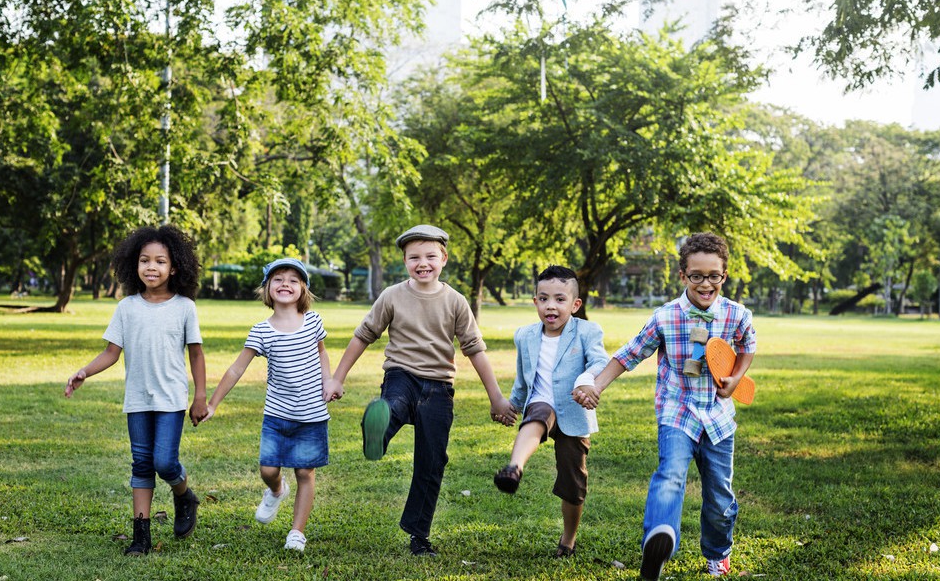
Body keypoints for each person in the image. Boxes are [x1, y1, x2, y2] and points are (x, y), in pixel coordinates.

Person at [322, 224, 516, 557]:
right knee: (393, 405)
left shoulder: (455, 301)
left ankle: (419, 535)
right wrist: (337, 378)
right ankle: (378, 433)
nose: (422, 263)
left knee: (432, 461)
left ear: (443, 258)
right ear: (405, 261)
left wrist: (496, 397)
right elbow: (363, 336)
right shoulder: (392, 296)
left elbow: (474, 349)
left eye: (429, 256)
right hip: (401, 374)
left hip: (440, 386)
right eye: (414, 257)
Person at [573, 232, 756, 580]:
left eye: (713, 276)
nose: (706, 283)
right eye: (697, 275)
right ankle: (658, 539)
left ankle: (718, 553)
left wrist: (736, 377)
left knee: (720, 498)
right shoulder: (665, 316)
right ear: (683, 275)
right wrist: (596, 385)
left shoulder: (737, 314)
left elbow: (748, 345)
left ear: (724, 276)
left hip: (718, 418)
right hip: (677, 411)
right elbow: (629, 354)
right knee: (670, 475)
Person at [64, 225, 207, 556]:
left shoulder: (185, 306)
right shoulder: (126, 307)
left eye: (160, 261)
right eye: (145, 260)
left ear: (175, 267)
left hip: (171, 398)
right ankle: (140, 536)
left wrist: (200, 396)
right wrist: (85, 371)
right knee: (141, 464)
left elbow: (196, 354)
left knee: (165, 462)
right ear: (134, 265)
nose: (152, 267)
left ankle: (184, 495)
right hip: (138, 399)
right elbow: (111, 353)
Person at [204, 258, 331, 553]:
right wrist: (213, 403)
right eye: (278, 279)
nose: (285, 284)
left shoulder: (313, 321)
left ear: (303, 289)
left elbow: (322, 354)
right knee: (268, 468)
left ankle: (297, 532)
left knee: (305, 473)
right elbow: (237, 369)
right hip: (277, 415)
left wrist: (330, 381)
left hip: (312, 415)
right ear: (267, 289)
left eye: (293, 280)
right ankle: (276, 489)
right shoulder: (262, 331)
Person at [493, 265, 609, 559]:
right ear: (535, 302)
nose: (551, 306)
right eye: (543, 299)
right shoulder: (525, 336)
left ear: (575, 304)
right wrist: (512, 406)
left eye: (559, 299)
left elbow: (600, 362)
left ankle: (568, 539)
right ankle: (514, 468)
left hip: (573, 410)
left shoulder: (587, 331)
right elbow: (523, 379)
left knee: (573, 483)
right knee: (539, 415)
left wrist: (586, 383)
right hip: (541, 402)